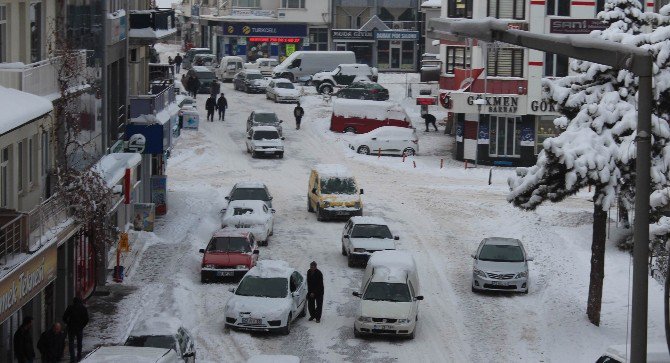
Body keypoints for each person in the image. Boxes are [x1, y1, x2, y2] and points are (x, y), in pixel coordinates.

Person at [63, 297, 89, 363]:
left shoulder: (70, 307)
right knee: (79, 343)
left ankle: (72, 358)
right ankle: (79, 357)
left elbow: (64, 317)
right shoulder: (83, 308)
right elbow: (86, 319)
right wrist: (82, 325)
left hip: (71, 328)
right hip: (79, 328)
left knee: (71, 343)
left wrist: (68, 323)